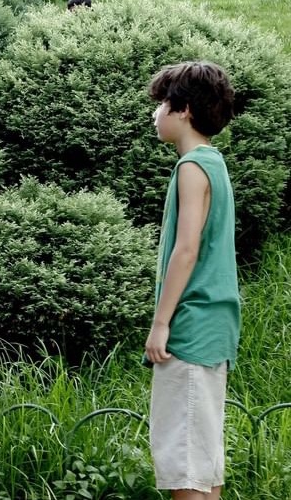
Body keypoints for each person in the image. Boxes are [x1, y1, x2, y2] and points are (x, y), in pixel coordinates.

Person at [145, 61, 238, 499]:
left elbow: (187, 249)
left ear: (182, 109)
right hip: (214, 329)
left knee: (183, 467)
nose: (156, 113)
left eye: (163, 103)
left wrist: (161, 322)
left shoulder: (190, 168)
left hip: (190, 327)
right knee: (203, 465)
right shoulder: (214, 163)